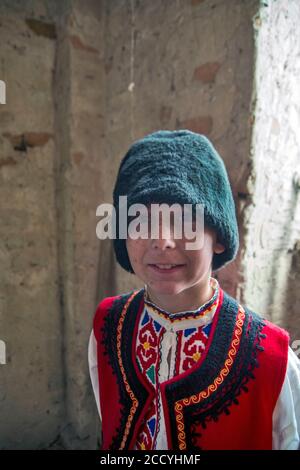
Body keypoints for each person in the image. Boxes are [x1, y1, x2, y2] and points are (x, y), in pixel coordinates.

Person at [88, 130, 300, 450]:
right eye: (141, 221)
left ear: (219, 236)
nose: (162, 241)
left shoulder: (275, 361)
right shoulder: (107, 327)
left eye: (182, 222)